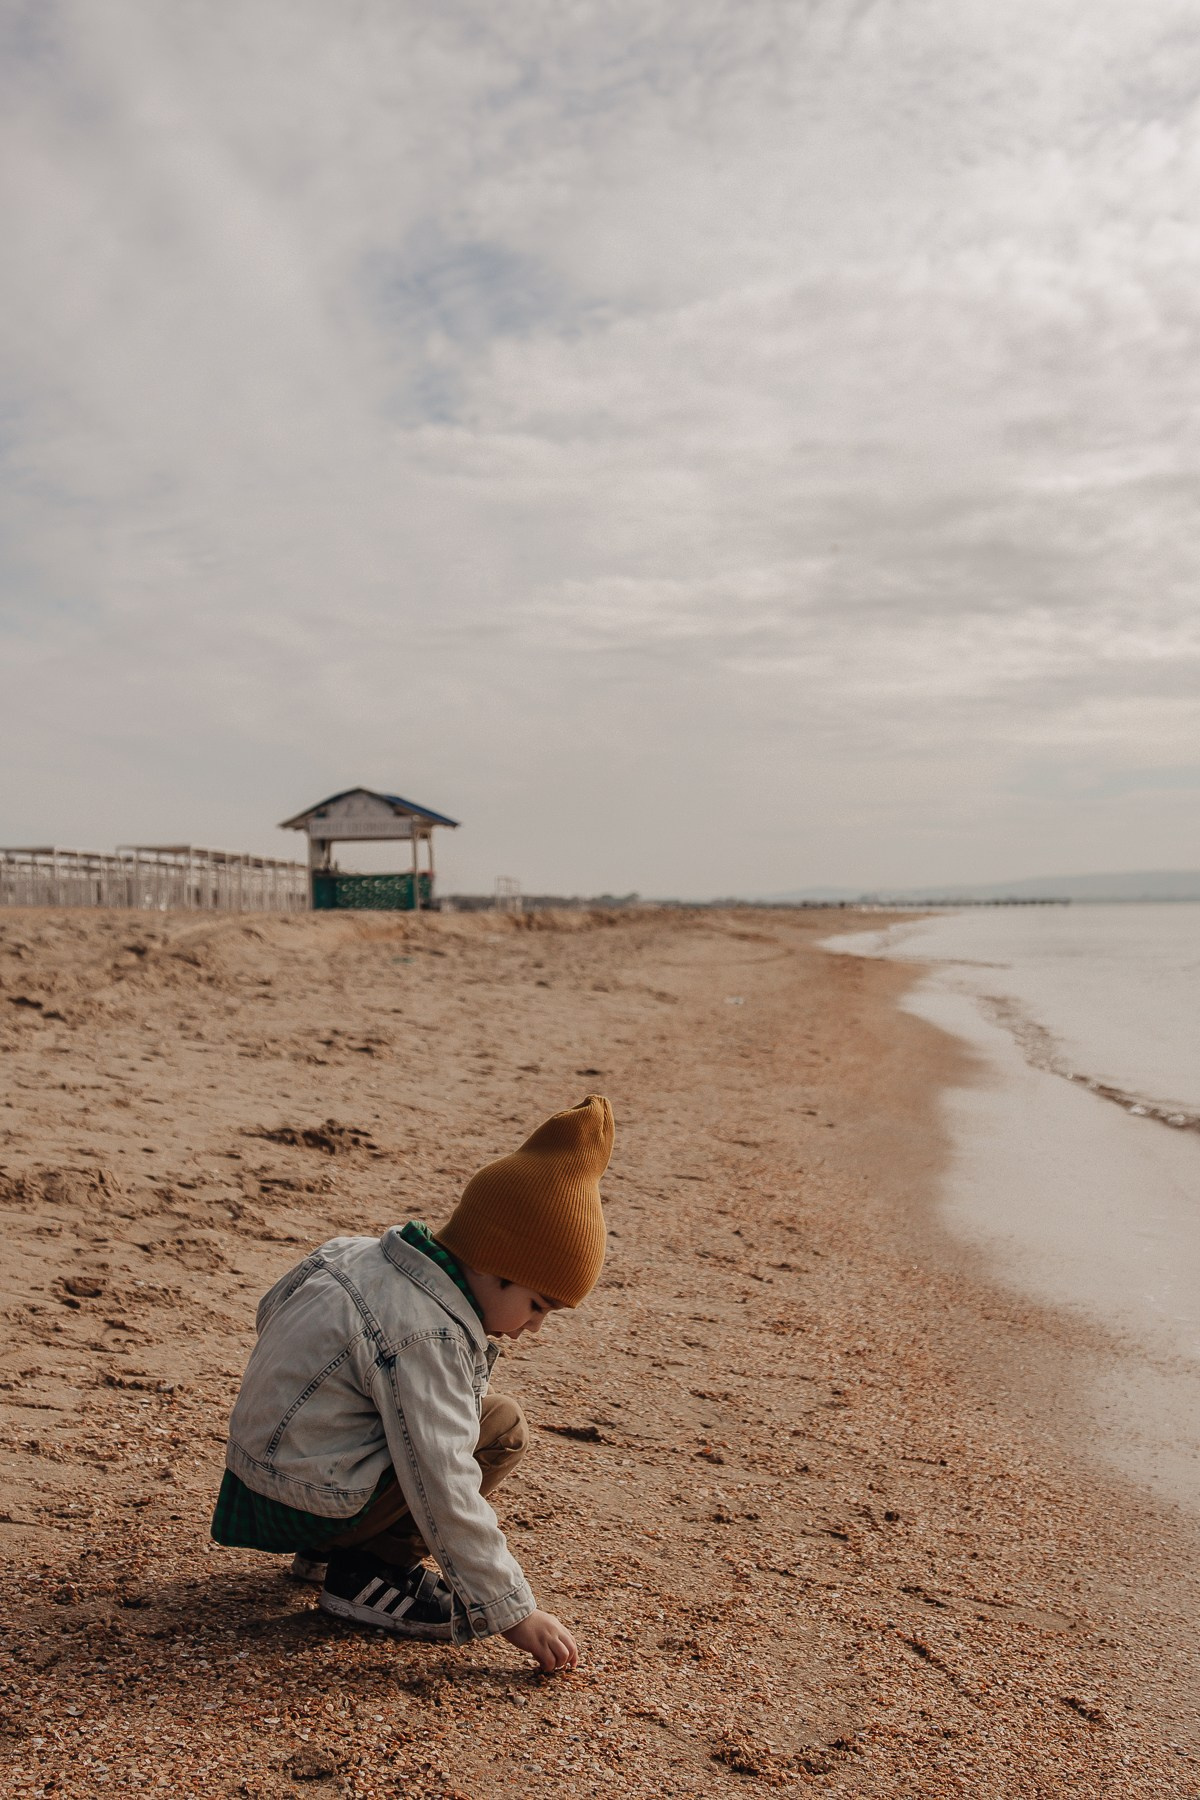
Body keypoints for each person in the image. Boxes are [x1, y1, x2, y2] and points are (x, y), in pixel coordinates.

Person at [210, 1094, 613, 1673]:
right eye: (536, 1305)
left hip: (250, 1482)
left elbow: (270, 1311)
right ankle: (366, 1576)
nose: (534, 1326)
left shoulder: (350, 1253)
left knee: (462, 1415)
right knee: (500, 1429)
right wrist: (512, 1611)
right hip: (303, 1505)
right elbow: (443, 1480)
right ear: (499, 1264)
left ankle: (328, 1553)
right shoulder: (429, 1335)